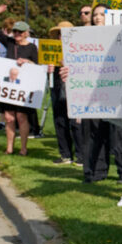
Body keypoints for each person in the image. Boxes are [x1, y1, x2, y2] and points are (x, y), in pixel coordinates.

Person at [73, 5, 122, 201]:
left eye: (103, 14)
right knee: (93, 134)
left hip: (116, 90)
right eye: (95, 15)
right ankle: (93, 171)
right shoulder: (84, 38)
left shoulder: (121, 35)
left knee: (119, 136)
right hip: (92, 92)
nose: (98, 17)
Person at [0, 6, 39, 155]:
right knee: (9, 117)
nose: (17, 34)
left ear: (26, 33)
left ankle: (23, 148)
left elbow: (37, 66)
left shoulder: (32, 48)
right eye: (15, 31)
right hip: (8, 87)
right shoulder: (9, 43)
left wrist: (27, 62)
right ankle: (9, 147)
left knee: (21, 117)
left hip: (23, 87)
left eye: (20, 32)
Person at [46, 21, 80, 165]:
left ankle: (80, 155)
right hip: (57, 85)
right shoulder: (51, 51)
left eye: (64, 34)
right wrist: (48, 69)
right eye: (60, 34)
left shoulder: (78, 49)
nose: (61, 37)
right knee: (59, 120)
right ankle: (65, 154)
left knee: (75, 122)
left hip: (74, 86)